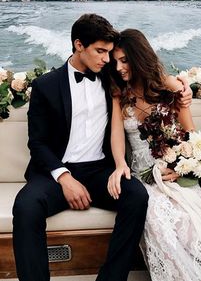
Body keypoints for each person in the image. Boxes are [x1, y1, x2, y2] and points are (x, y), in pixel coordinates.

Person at [12, 14, 149, 281]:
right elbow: (37, 143)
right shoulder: (46, 86)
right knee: (26, 206)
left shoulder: (112, 77)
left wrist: (181, 88)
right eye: (100, 51)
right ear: (78, 45)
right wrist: (64, 177)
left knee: (137, 196)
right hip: (56, 173)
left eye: (109, 52)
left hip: (100, 171)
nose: (106, 59)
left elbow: (149, 73)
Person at [109, 28, 201, 281]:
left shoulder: (171, 86)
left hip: (174, 171)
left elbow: (190, 134)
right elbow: (117, 135)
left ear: (139, 57)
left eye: (124, 60)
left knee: (183, 218)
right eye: (115, 62)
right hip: (142, 176)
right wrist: (120, 164)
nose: (119, 67)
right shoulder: (119, 94)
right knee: (155, 214)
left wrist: (181, 168)